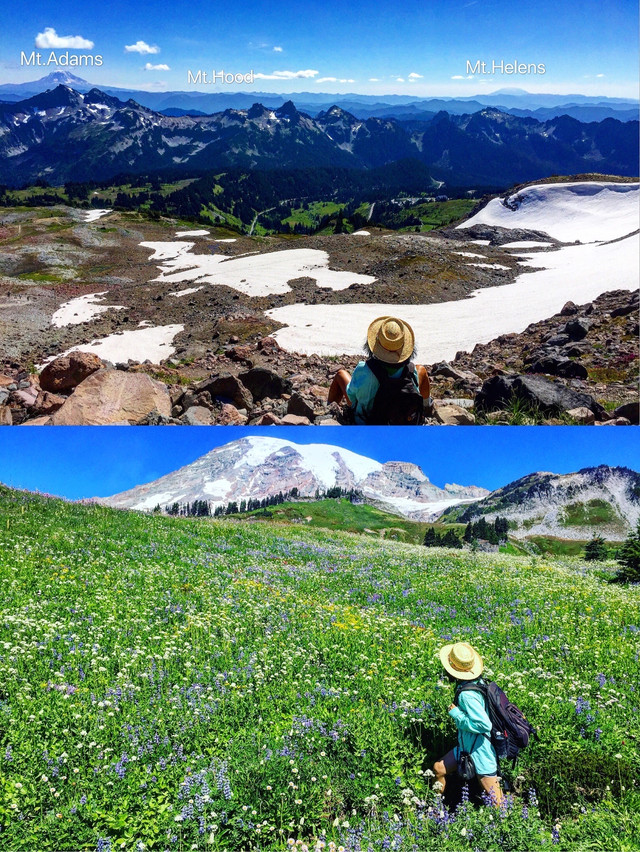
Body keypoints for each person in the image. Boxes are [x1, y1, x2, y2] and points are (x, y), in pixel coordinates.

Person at [433, 641, 504, 806]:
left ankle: (509, 820)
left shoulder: (467, 694)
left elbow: (484, 725)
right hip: (466, 746)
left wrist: (457, 714)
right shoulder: (478, 682)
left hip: (480, 751)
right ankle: (436, 810)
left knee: (497, 802)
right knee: (438, 768)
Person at [327, 316, 431, 425]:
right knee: (422, 370)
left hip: (366, 423)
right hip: (402, 423)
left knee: (341, 374)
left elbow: (352, 397)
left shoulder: (364, 370)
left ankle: (328, 411)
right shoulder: (410, 371)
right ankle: (426, 408)